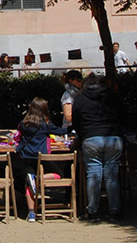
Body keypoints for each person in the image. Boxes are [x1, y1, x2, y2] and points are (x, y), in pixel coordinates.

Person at [71, 73, 124, 220]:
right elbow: (122, 114)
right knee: (111, 174)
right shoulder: (112, 96)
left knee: (93, 174)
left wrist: (82, 137)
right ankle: (114, 210)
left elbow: (76, 122)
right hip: (113, 136)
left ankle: (93, 210)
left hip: (91, 137)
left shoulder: (80, 99)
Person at [15, 97, 64, 222]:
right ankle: (39, 178)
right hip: (41, 156)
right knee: (59, 174)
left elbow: (18, 138)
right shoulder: (45, 124)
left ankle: (31, 213)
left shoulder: (23, 124)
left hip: (26, 156)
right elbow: (59, 131)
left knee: (28, 184)